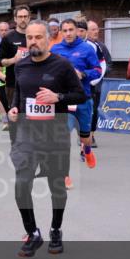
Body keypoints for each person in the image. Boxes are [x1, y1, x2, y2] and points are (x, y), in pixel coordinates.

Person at [7, 21, 87, 258]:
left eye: (38, 37)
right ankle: (32, 233)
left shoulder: (62, 65)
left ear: (48, 39)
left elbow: (81, 95)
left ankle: (55, 229)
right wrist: (13, 109)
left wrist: (58, 96)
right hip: (27, 134)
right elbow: (19, 94)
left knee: (57, 186)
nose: (33, 41)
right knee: (22, 184)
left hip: (55, 134)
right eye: (29, 37)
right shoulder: (20, 66)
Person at [51, 20, 101, 175]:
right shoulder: (55, 49)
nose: (68, 33)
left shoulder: (87, 48)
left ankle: (86, 150)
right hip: (64, 100)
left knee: (84, 137)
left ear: (77, 31)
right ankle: (63, 175)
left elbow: (98, 70)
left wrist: (83, 74)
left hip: (83, 99)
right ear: (61, 32)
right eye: (64, 30)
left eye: (70, 30)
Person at [0, 6, 32, 142]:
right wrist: (14, 60)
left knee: (31, 116)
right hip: (13, 83)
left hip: (33, 83)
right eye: (20, 17)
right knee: (14, 114)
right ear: (15, 19)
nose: (23, 19)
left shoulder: (35, 36)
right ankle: (16, 145)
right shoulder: (8, 38)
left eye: (25, 16)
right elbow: (0, 62)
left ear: (29, 18)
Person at [86, 21, 111, 146]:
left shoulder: (101, 47)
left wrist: (100, 75)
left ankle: (92, 136)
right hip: (84, 86)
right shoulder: (83, 46)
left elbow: (108, 63)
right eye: (93, 29)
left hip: (97, 85)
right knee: (84, 110)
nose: (96, 32)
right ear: (86, 31)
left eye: (97, 29)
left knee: (94, 110)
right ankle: (83, 134)